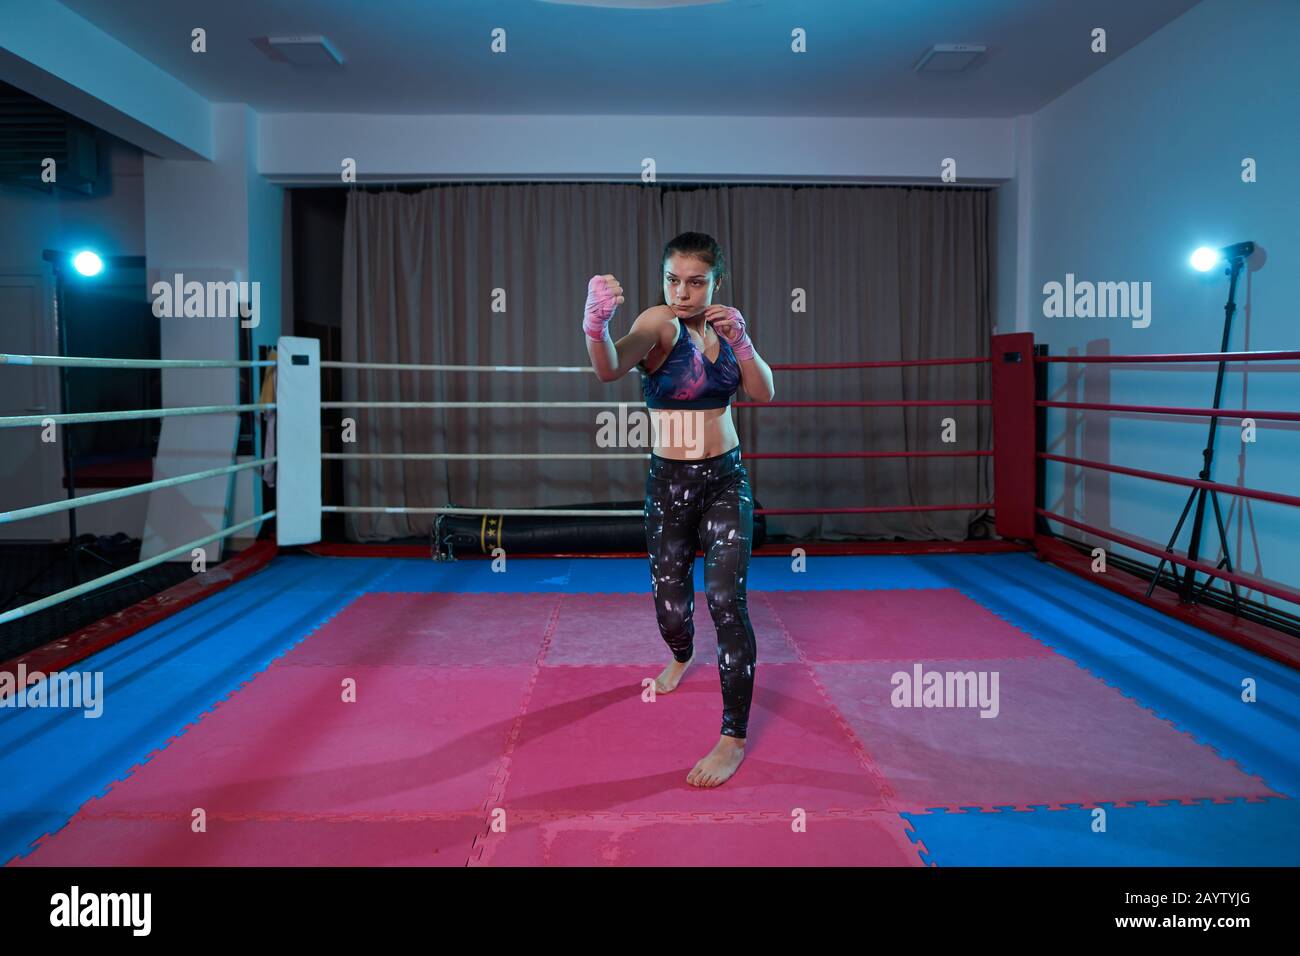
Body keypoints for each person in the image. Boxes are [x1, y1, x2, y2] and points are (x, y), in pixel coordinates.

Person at [582, 232, 775, 787]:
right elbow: (611, 366)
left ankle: (732, 738)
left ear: (716, 282)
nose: (683, 292)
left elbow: (763, 390)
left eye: (696, 282)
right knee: (671, 609)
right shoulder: (658, 324)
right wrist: (594, 327)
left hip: (724, 478)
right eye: (673, 280)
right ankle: (681, 653)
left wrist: (743, 343)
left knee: (725, 599)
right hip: (668, 484)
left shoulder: (725, 325)